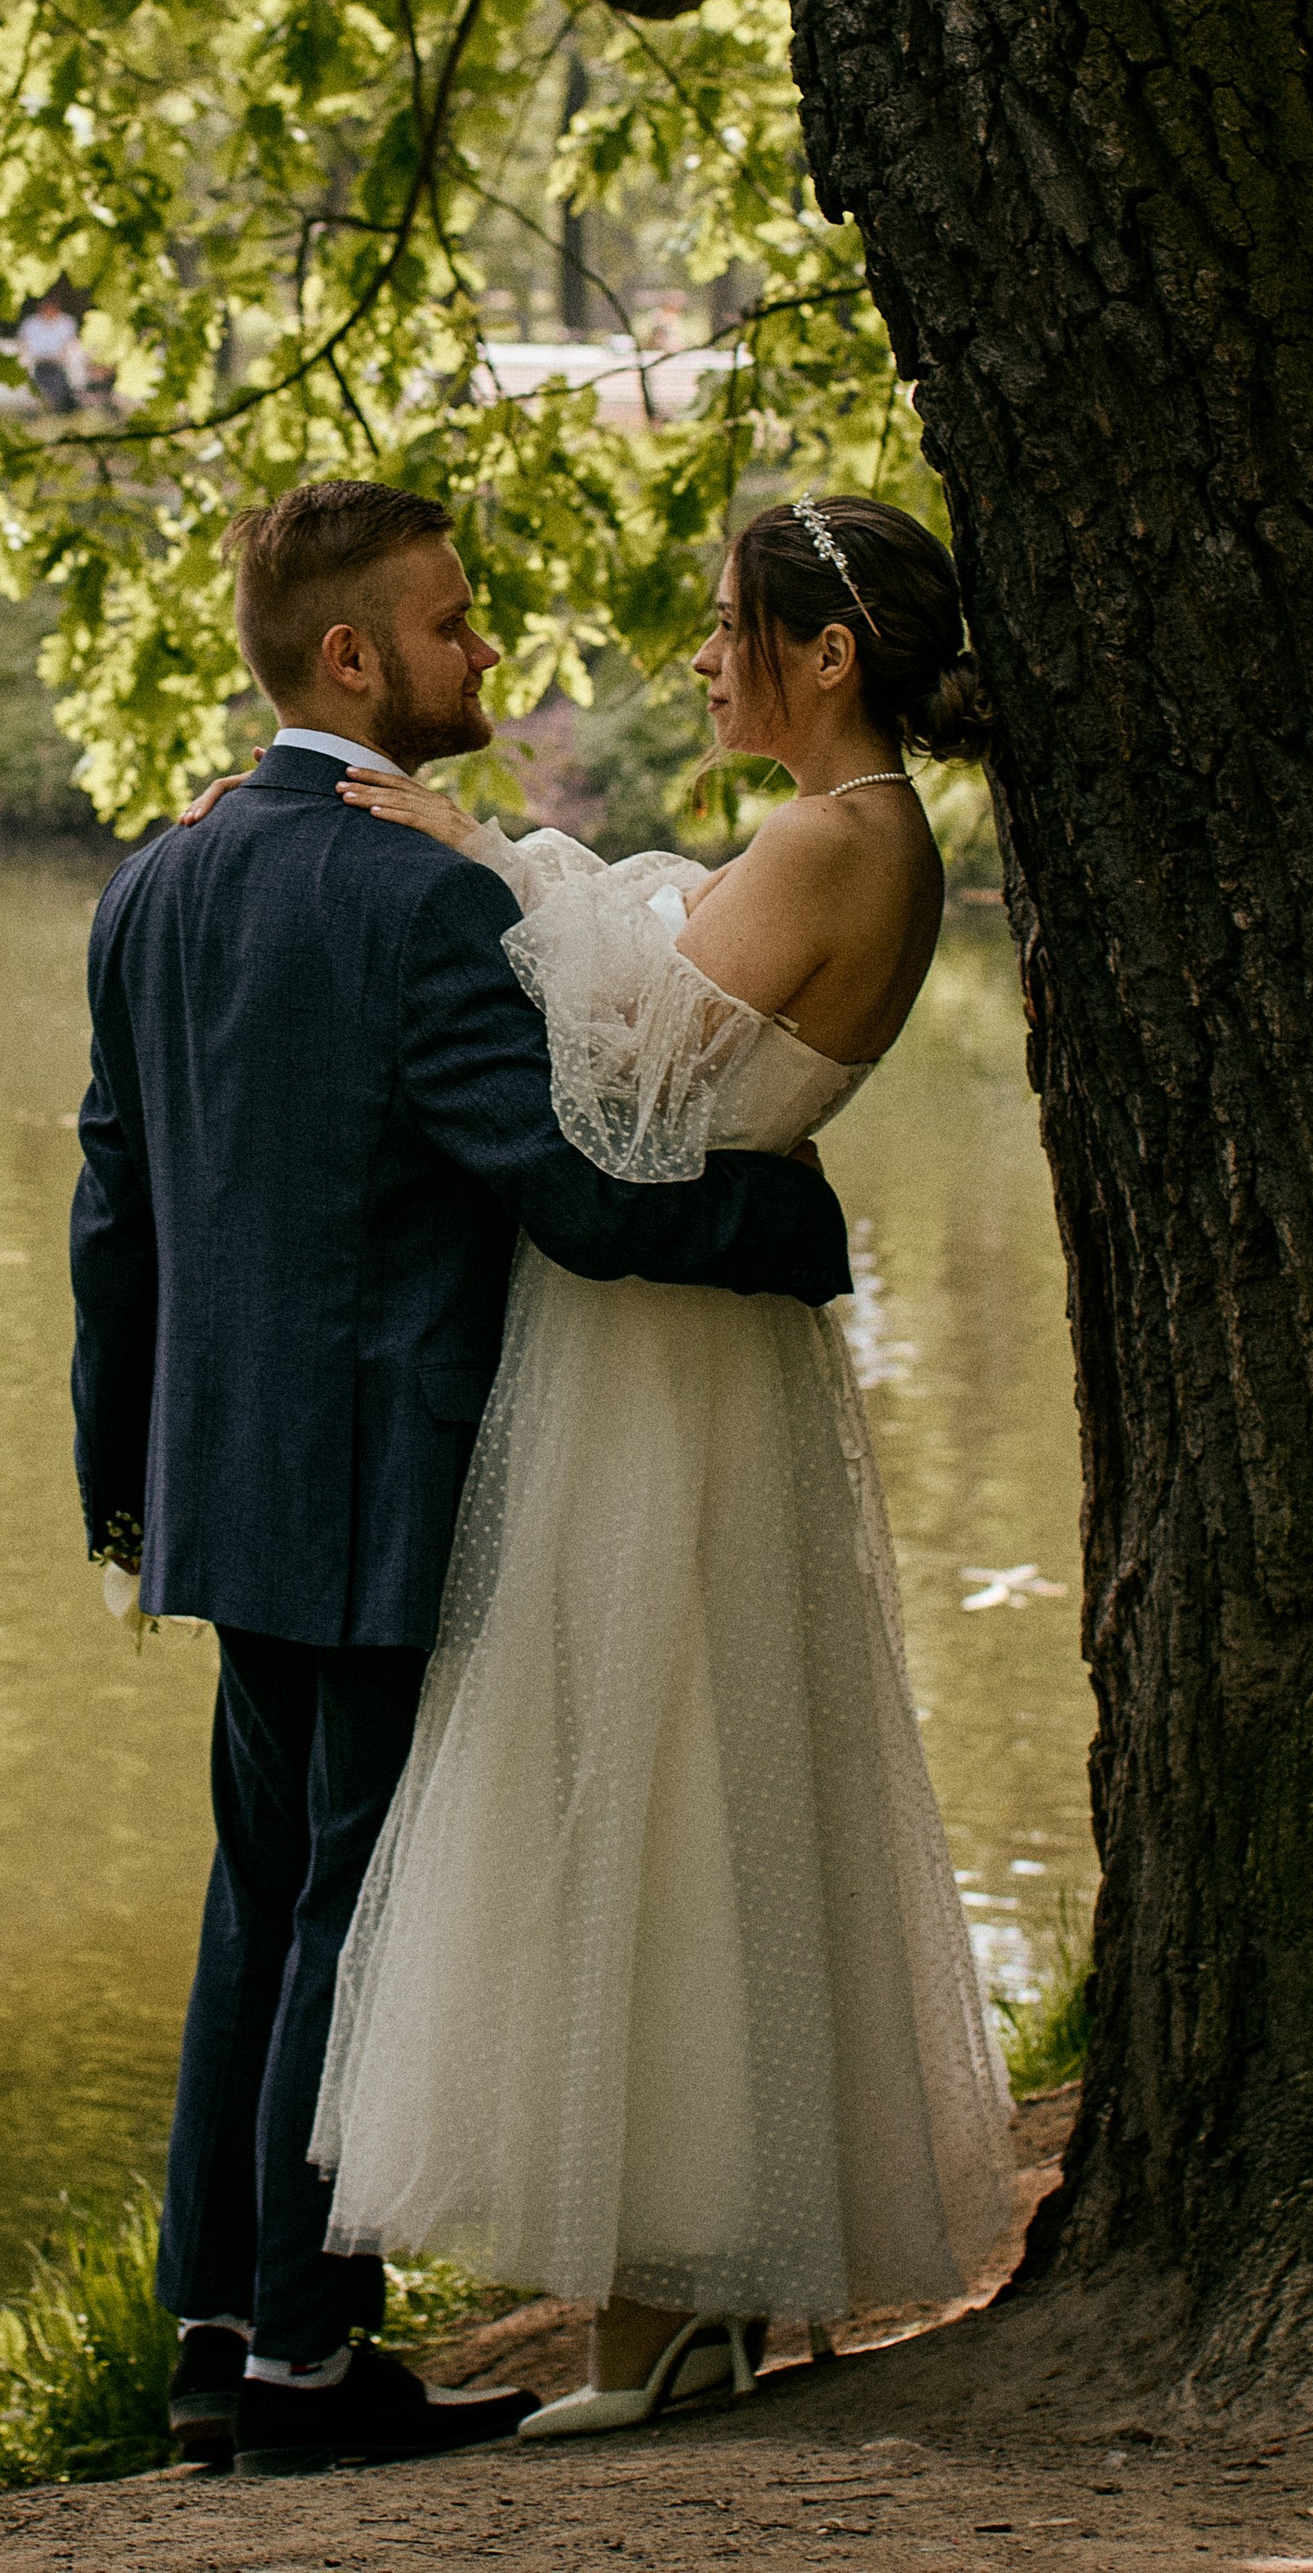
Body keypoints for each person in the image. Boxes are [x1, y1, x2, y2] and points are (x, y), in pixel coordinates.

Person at [68, 481, 853, 2479]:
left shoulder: (151, 884)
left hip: (220, 1487)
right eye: (447, 622)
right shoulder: (419, 902)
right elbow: (579, 1193)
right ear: (349, 659)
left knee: (260, 1898)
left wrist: (118, 1491)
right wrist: (791, 1234)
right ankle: (311, 2373)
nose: (484, 652)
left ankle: (217, 2340)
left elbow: (112, 1216)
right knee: (344, 1896)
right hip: (387, 1481)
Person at [308, 493, 1020, 2433]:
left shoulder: (830, 837)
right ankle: (673, 2290)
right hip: (695, 1359)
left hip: (660, 1378)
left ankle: (664, 2291)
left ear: (825, 656)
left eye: (726, 627)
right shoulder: (859, 841)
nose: (700, 659)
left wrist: (486, 856)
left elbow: (617, 1071)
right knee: (682, 1787)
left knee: (636, 1782)